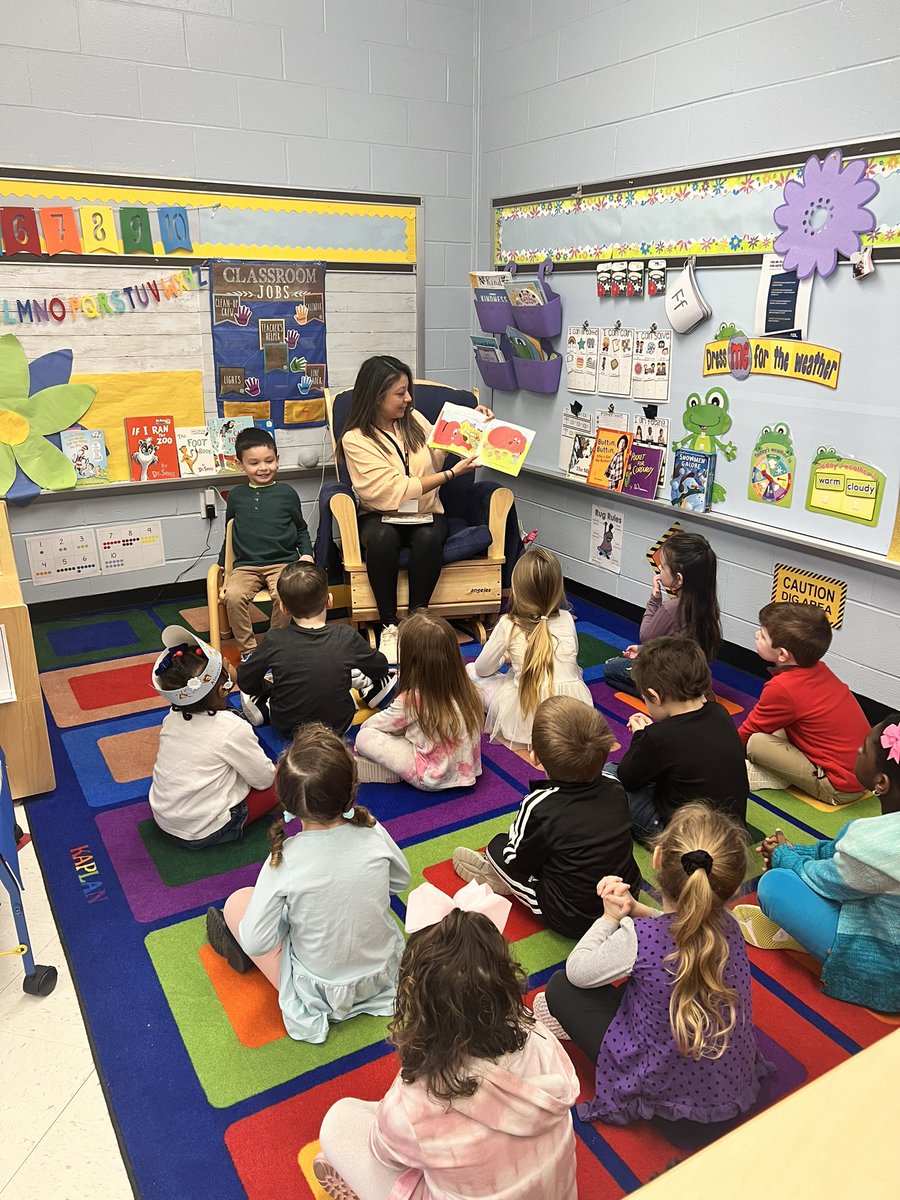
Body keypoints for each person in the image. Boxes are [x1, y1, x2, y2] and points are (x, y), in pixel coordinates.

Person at [313, 881, 579, 1200]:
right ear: (502, 978)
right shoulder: (538, 1034)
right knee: (409, 1132)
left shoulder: (417, 1097)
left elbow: (385, 1154)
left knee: (339, 1121)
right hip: (557, 1192)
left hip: (421, 1141)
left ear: (417, 998)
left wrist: (396, 1119)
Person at [535, 804, 772, 1126]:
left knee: (560, 988)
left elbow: (578, 971)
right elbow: (684, 925)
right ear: (731, 884)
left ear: (657, 858)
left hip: (665, 1105)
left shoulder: (640, 937)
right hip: (728, 1088)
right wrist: (636, 909)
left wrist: (609, 918)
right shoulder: (730, 925)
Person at [205, 723, 410, 1043]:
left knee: (237, 903)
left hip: (321, 991)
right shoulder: (371, 830)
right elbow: (401, 879)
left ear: (286, 802)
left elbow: (258, 942)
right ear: (351, 790)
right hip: (383, 976)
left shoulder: (285, 858)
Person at [733, 715, 900, 1013]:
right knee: (830, 851)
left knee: (774, 884)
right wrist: (801, 851)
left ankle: (828, 948)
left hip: (884, 970)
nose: (858, 751)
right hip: (881, 919)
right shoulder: (880, 833)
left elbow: (827, 880)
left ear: (881, 782)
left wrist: (785, 856)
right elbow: (843, 854)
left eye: (864, 749)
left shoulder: (878, 843)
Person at [338, 355, 493, 664]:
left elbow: (438, 450)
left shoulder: (416, 421)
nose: (408, 399)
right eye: (400, 393)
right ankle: (388, 626)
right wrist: (450, 475)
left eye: (408, 391)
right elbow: (393, 491)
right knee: (382, 539)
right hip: (381, 515)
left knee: (427, 538)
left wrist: (474, 421)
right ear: (376, 395)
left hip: (425, 511)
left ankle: (415, 623)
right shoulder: (354, 439)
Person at [452, 696, 641, 938]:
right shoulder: (615, 785)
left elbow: (517, 859)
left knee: (498, 848)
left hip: (574, 916)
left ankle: (503, 881)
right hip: (625, 897)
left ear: (535, 758)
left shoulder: (540, 805)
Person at [609, 637, 748, 844]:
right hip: (731, 832)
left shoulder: (658, 736)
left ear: (654, 697)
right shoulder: (720, 712)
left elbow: (628, 777)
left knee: (609, 773)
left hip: (684, 839)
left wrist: (640, 736)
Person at [148, 626, 277, 848]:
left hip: (166, 817)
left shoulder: (172, 716)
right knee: (288, 772)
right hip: (205, 830)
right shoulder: (231, 728)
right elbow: (264, 779)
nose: (228, 662)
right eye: (225, 664)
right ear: (224, 690)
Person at [236, 561, 392, 739]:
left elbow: (246, 680)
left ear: (283, 608)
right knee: (377, 675)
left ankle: (263, 709)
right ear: (330, 601)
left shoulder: (274, 639)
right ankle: (368, 689)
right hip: (339, 726)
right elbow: (380, 668)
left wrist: (270, 687)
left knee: (254, 693)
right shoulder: (346, 635)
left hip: (287, 729)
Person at [738, 602, 869, 804]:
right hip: (860, 773)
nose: (757, 635)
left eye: (763, 635)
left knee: (757, 742)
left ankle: (778, 776)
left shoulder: (783, 688)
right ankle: (783, 769)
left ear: (782, 654)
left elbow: (749, 731)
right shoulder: (817, 668)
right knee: (776, 728)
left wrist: (719, 753)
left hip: (839, 787)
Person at [467, 546, 593, 748]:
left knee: (471, 671)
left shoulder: (508, 623)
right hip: (573, 716)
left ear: (518, 589)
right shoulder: (567, 618)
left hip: (525, 721)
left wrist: (504, 658)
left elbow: (483, 669)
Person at [353, 611, 483, 789]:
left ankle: (397, 770)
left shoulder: (413, 698)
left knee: (364, 737)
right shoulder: (465, 686)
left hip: (431, 776)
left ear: (411, 661)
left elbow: (371, 726)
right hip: (468, 770)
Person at [220, 426, 315, 660]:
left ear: (277, 460)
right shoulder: (236, 496)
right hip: (246, 565)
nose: (263, 468)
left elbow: (301, 529)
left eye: (269, 461)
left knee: (286, 595)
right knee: (232, 595)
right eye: (254, 463)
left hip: (282, 563)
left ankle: (275, 644)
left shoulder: (287, 493)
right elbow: (229, 533)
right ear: (240, 464)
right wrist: (222, 566)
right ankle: (249, 651)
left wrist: (306, 554)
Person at [604, 530, 720, 693]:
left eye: (664, 566)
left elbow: (646, 636)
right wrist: (641, 650)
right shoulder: (707, 604)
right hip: (694, 673)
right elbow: (673, 643)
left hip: (669, 677)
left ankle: (660, 696)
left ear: (679, 579)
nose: (659, 567)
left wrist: (655, 598)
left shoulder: (671, 609)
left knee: (611, 667)